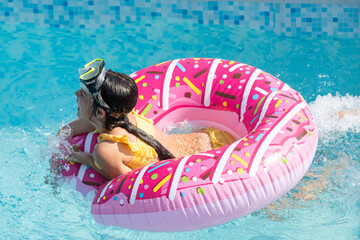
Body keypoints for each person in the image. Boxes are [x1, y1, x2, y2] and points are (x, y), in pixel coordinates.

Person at [59, 58, 236, 180]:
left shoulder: (106, 151)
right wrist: (60, 136)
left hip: (211, 168)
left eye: (82, 93)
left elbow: (127, 185)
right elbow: (80, 125)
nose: (76, 94)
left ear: (100, 113)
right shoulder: (124, 114)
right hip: (216, 140)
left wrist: (88, 159)